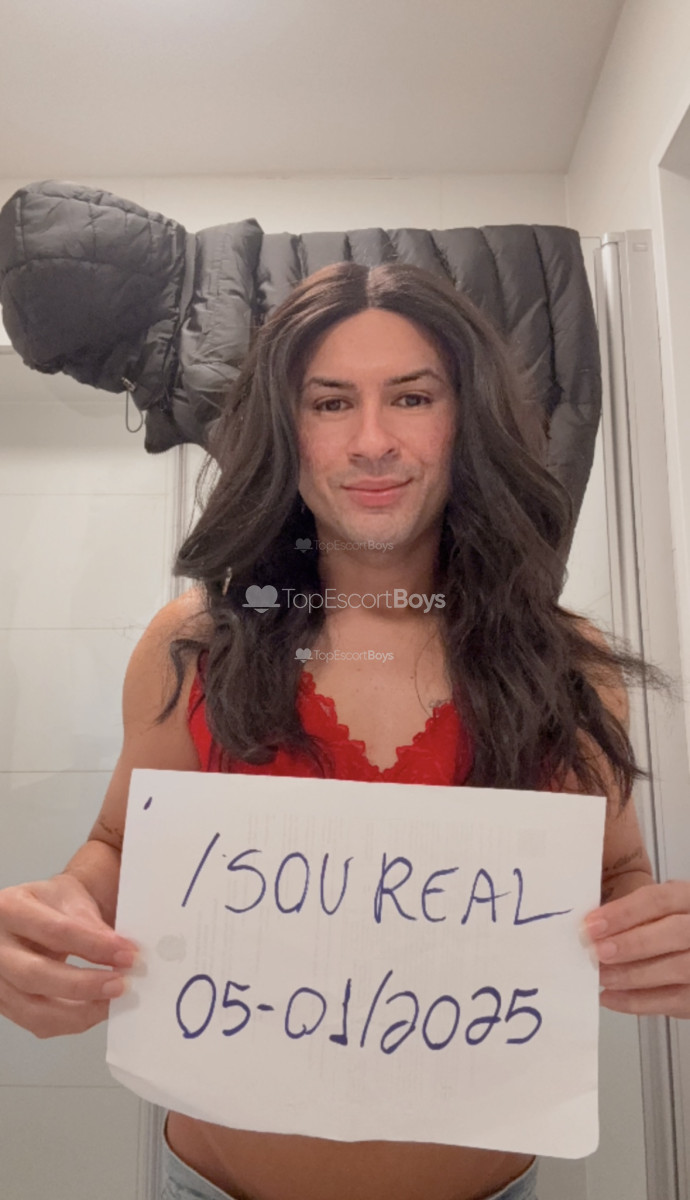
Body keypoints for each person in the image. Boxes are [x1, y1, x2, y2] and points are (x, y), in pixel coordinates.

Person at [0, 262, 687, 1200]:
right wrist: (59, 916)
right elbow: (120, 842)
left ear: (467, 421)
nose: (372, 441)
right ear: (288, 433)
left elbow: (618, 874)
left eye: (412, 397)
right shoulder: (196, 646)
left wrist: (660, 937)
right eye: (330, 403)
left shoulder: (570, 665)